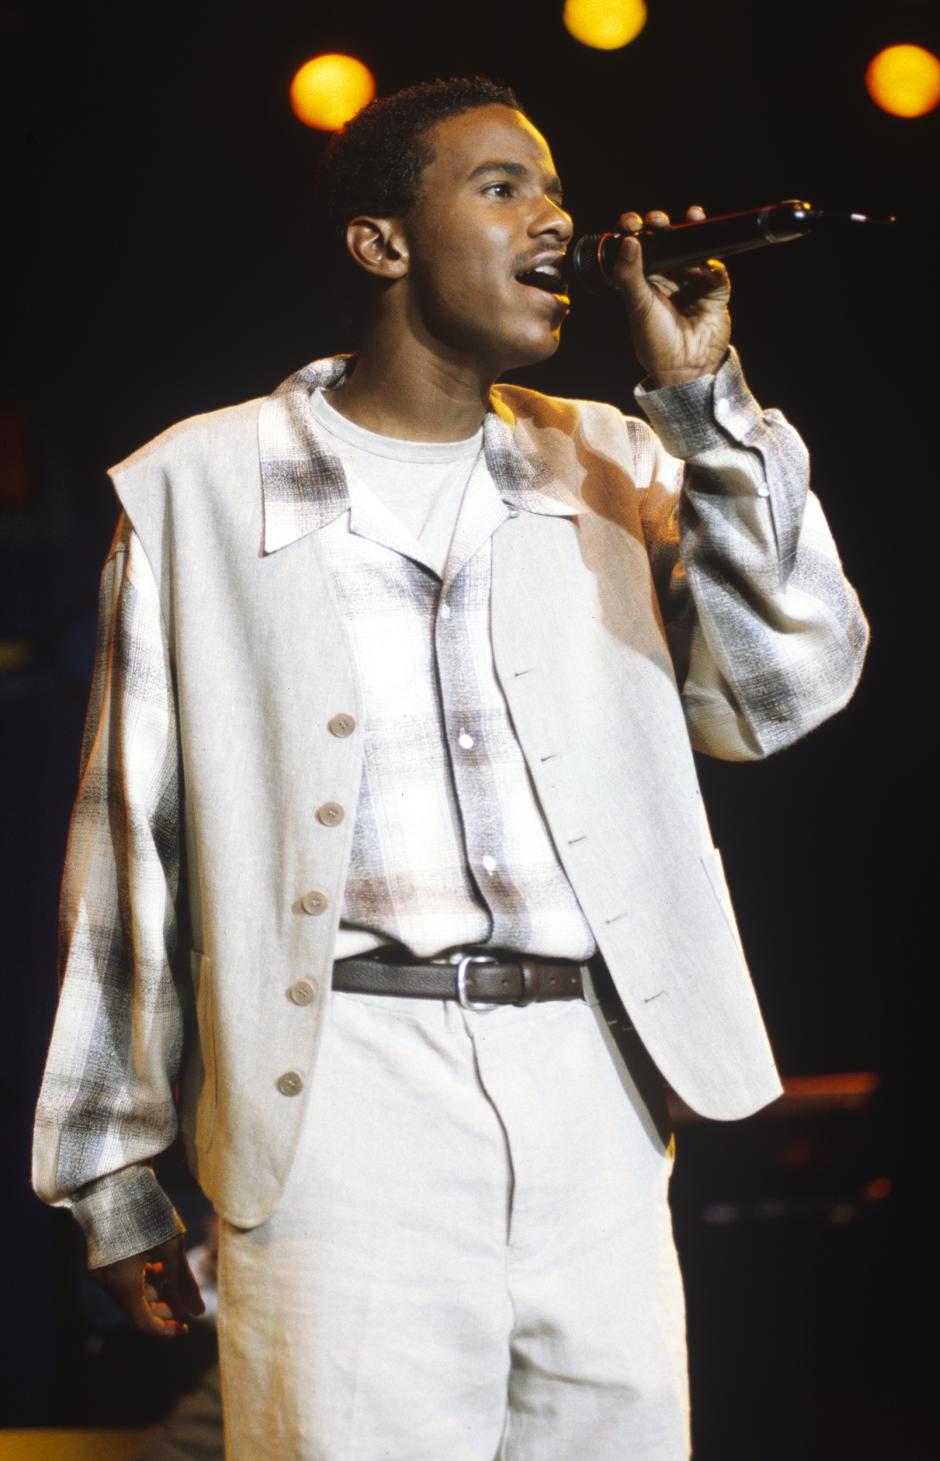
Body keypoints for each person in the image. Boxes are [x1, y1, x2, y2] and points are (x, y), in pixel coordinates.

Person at [34, 76, 868, 1459]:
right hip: (343, 1087)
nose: (558, 219)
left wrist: (701, 399)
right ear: (383, 242)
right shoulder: (198, 487)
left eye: (557, 190)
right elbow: (127, 856)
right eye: (503, 187)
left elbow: (785, 691)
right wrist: (110, 1172)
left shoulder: (614, 459)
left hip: (593, 1082)